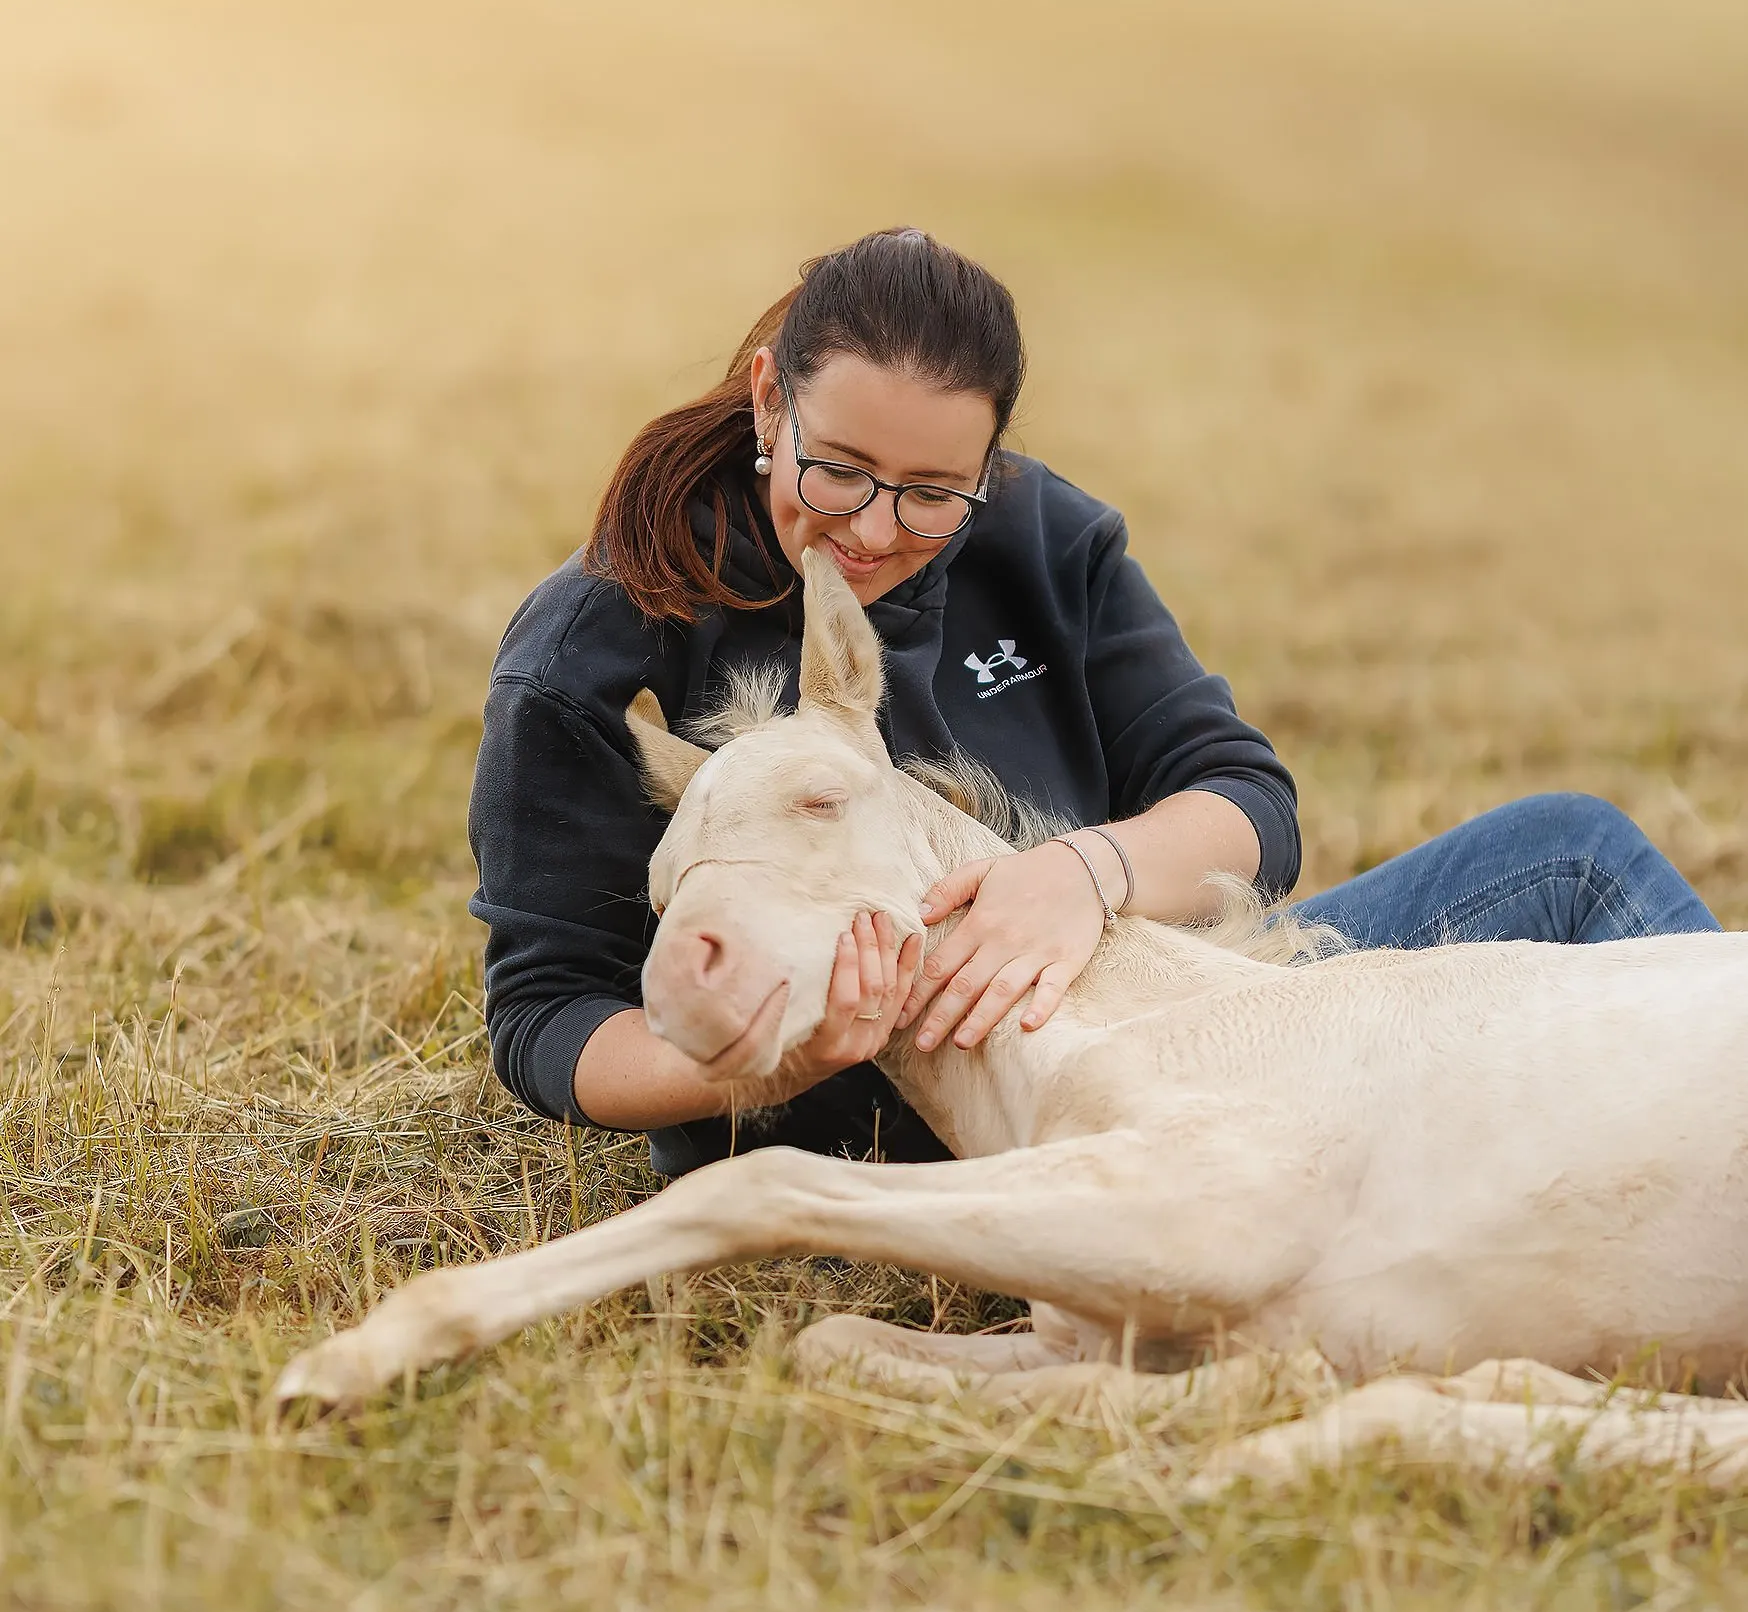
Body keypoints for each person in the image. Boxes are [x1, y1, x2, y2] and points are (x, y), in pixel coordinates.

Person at [469, 228, 1717, 1178]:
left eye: (932, 493)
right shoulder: (589, 648)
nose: (874, 530)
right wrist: (768, 1059)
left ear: (988, 467)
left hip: (1174, 1036)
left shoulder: (1043, 535)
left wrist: (1080, 877)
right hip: (910, 1151)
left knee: (1570, 856)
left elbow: (1246, 805)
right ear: (765, 401)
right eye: (838, 470)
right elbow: (545, 1017)